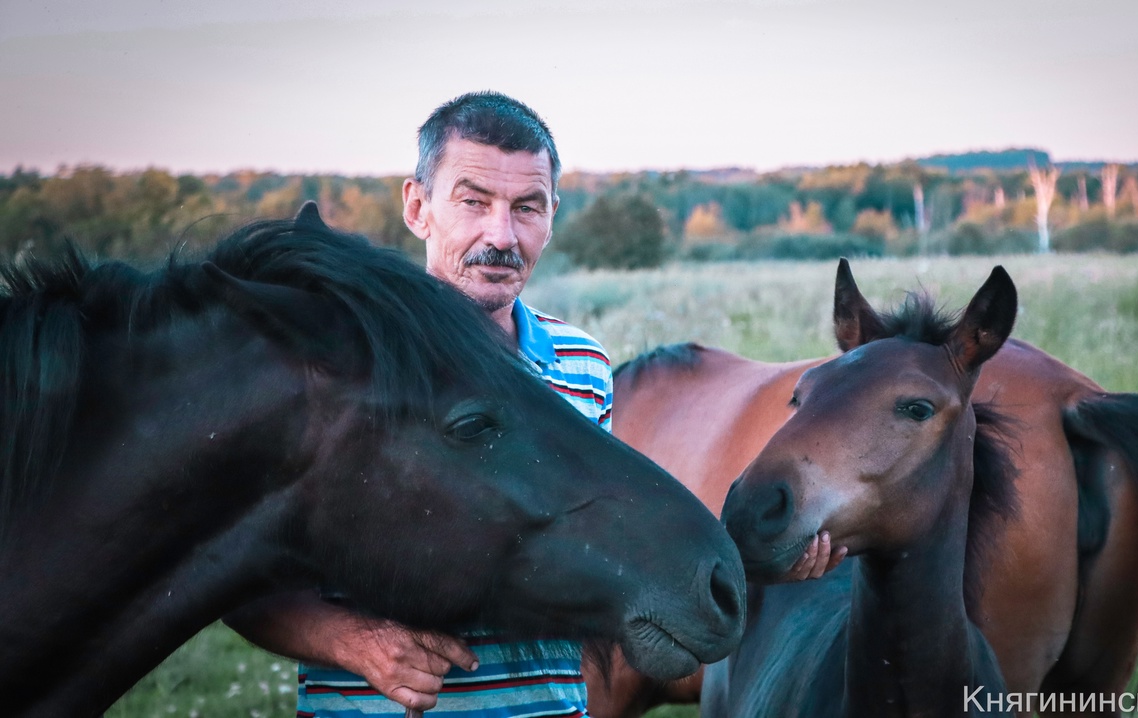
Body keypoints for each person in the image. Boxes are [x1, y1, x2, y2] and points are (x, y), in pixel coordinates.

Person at [227, 91, 844, 717]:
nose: (501, 235)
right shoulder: (338, 362)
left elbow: (589, 551)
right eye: (473, 201)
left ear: (552, 215)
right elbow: (231, 572)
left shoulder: (583, 366)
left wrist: (756, 565)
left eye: (527, 207)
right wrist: (358, 643)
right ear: (418, 207)